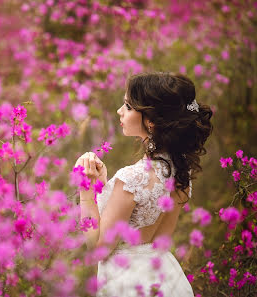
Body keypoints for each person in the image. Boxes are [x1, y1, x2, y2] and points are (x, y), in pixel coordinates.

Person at [75, 72, 213, 297]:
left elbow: (99, 249)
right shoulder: (180, 171)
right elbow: (159, 239)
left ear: (150, 121)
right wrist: (103, 185)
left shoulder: (131, 179)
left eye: (128, 106)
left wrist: (86, 193)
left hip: (128, 282)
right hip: (165, 277)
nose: (120, 111)